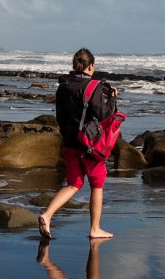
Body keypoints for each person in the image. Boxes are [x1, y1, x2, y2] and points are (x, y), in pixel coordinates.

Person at [38, 47, 118, 240]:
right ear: (91, 66)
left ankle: (47, 215)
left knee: (74, 183)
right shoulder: (95, 86)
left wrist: (67, 135)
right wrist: (113, 99)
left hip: (70, 141)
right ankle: (95, 229)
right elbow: (103, 114)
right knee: (97, 185)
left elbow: (60, 116)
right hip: (90, 144)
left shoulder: (63, 86)